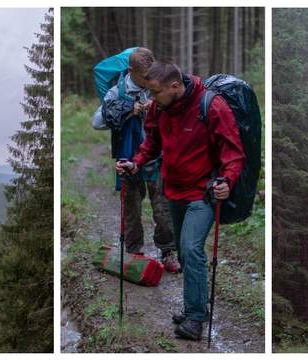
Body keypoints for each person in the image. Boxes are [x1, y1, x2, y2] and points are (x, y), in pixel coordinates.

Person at [116, 61, 245, 340]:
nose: (150, 99)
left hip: (203, 191)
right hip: (173, 190)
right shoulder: (158, 109)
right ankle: (196, 307)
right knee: (185, 252)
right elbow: (152, 143)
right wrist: (136, 163)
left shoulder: (211, 107)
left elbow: (233, 153)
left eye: (155, 92)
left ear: (175, 86)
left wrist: (227, 182)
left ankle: (196, 318)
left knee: (190, 248)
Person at [91, 48, 179, 273]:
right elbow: (97, 122)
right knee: (131, 206)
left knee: (162, 205)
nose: (149, 80)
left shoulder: (157, 87)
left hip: (157, 155)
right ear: (131, 72)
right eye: (144, 76)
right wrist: (128, 109)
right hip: (128, 157)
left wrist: (156, 105)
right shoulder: (116, 92)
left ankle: (168, 252)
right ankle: (134, 252)